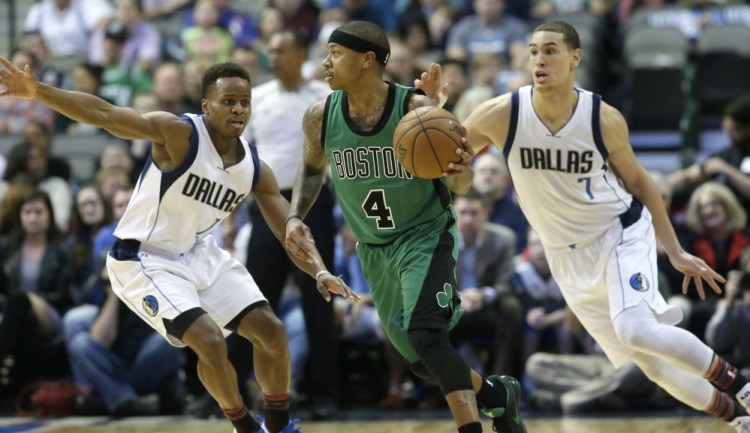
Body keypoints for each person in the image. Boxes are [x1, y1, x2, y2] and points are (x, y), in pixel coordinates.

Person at [0, 57, 358, 433]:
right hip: (143, 257)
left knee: (272, 332)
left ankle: (279, 426)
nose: (238, 109)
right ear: (206, 106)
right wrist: (38, 91)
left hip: (200, 254)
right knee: (208, 340)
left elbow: (292, 231)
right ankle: (245, 427)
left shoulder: (254, 167)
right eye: (228, 101)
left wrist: (319, 270)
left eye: (245, 102)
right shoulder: (179, 134)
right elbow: (103, 113)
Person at [462, 20, 750, 432]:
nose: (539, 60)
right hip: (566, 257)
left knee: (637, 330)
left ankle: (740, 384)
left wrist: (674, 249)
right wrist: (434, 111)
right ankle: (737, 417)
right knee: (648, 366)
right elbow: (448, 163)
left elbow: (641, 182)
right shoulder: (502, 113)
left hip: (619, 233)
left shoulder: (601, 117)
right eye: (533, 51)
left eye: (550, 50)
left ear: (575, 58)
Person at [284, 20, 526, 433]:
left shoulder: (417, 112)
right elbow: (310, 170)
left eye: (335, 54)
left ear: (367, 61)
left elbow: (461, 184)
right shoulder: (320, 116)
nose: (324, 63)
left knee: (427, 336)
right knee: (422, 360)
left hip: (425, 235)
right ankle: (497, 396)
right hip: (374, 249)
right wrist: (294, 215)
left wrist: (462, 168)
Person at [240, 28, 339, 418]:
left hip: (314, 203)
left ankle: (326, 394)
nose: (272, 55)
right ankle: (241, 392)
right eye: (270, 48)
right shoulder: (257, 98)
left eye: (280, 48)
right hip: (266, 204)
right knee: (254, 303)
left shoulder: (326, 98)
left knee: (321, 300)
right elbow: (239, 157)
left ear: (301, 53)